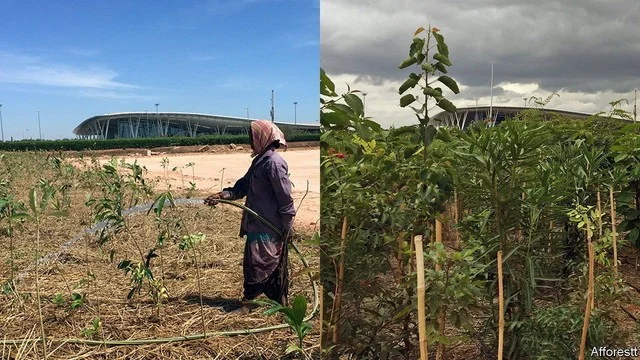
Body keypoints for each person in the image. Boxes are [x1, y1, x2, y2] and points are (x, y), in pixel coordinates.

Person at [204, 120, 295, 311]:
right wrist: (222, 195)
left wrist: (287, 226)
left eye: (253, 137)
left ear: (263, 138)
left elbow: (285, 198)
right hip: (256, 224)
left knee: (261, 263)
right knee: (262, 263)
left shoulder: (274, 163)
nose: (250, 142)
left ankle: (249, 304)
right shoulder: (259, 161)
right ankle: (279, 303)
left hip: (269, 226)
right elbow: (242, 187)